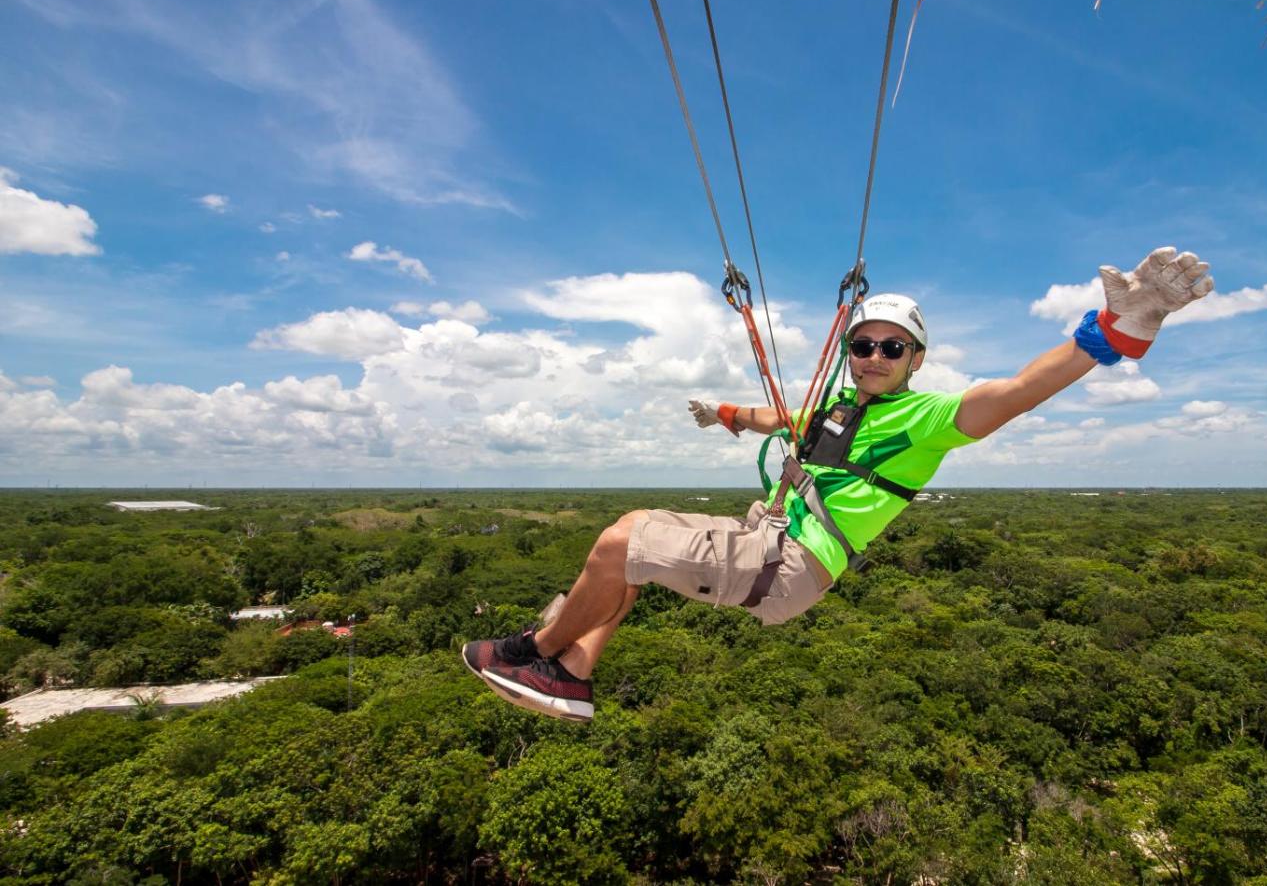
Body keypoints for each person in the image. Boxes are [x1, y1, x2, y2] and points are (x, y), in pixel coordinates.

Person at [463, 247, 1214, 721]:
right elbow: (780, 416)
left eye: (892, 347)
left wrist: (1112, 331)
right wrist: (725, 413)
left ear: (916, 359)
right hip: (767, 540)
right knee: (628, 561)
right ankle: (574, 669)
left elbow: (1016, 391)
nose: (874, 355)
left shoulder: (927, 419)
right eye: (864, 344)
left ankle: (534, 651)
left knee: (621, 540)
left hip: (788, 561)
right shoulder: (838, 408)